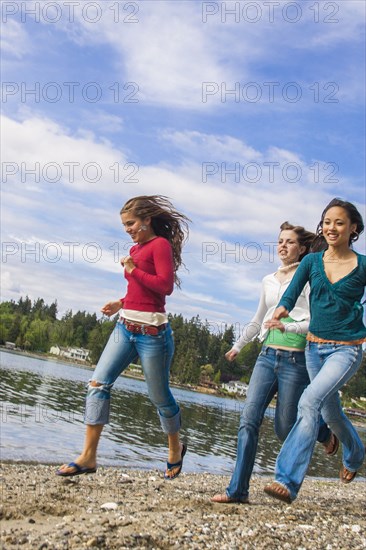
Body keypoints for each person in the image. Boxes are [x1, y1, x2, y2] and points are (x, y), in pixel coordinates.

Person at [57, 195, 190, 479]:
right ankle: (89, 456)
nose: (127, 229)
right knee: (97, 384)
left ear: (146, 220)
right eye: (124, 225)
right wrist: (122, 302)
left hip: (153, 335)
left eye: (130, 223)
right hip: (124, 328)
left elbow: (164, 287)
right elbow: (141, 292)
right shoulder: (136, 248)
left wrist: (132, 270)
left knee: (159, 396)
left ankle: (174, 449)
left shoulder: (160, 246)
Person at [211, 222, 336, 504]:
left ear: (302, 248)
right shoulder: (268, 280)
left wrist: (288, 328)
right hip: (266, 357)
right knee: (248, 422)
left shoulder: (310, 277)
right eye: (280, 241)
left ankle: (323, 432)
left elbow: (314, 321)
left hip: (296, 360)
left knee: (284, 427)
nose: (282, 246)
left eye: (289, 242)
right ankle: (238, 491)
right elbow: (258, 319)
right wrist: (238, 346)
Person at [264, 198, 366, 504]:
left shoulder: (362, 265)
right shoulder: (311, 262)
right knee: (329, 412)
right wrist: (281, 308)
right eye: (327, 222)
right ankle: (355, 452)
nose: (331, 227)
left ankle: (287, 480)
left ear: (353, 228)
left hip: (346, 350)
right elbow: (293, 293)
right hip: (313, 348)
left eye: (339, 222)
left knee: (308, 402)